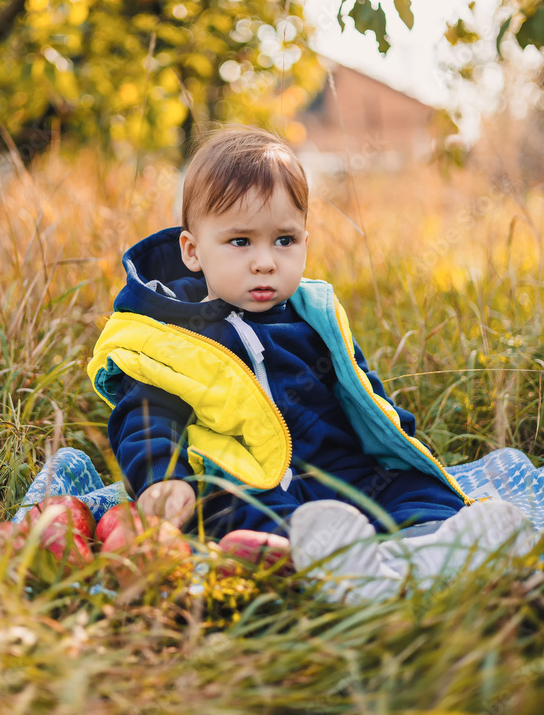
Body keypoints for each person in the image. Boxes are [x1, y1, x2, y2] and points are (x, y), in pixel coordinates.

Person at [88, 126, 538, 600]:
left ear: (305, 239)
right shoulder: (177, 338)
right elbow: (145, 420)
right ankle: (336, 570)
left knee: (414, 492)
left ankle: (436, 545)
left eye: (284, 240)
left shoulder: (316, 317)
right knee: (232, 515)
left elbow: (364, 396)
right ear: (192, 250)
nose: (265, 261)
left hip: (344, 472)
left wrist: (401, 446)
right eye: (240, 242)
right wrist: (163, 478)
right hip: (255, 482)